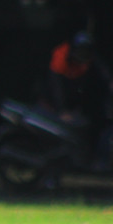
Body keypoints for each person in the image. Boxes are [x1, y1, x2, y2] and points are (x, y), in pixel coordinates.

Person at [42, 30, 113, 167]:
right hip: (52, 104)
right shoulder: (61, 59)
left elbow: (101, 69)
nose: (83, 55)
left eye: (86, 51)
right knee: (58, 135)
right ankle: (53, 170)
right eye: (81, 51)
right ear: (74, 50)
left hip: (72, 104)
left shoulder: (87, 59)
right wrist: (62, 110)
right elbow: (57, 88)